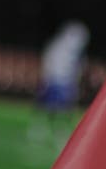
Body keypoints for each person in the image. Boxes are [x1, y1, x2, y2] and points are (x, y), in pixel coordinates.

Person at [28, 20, 90, 149]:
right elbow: (50, 62)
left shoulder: (75, 52)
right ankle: (41, 129)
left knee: (64, 109)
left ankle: (59, 132)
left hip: (66, 82)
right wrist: (47, 78)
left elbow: (78, 69)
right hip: (55, 80)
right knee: (48, 107)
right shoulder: (58, 47)